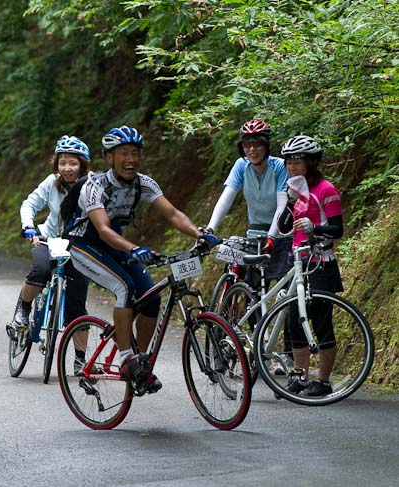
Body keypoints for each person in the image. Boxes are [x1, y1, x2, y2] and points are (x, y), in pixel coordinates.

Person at [67, 126, 217, 389]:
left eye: (135, 153)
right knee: (125, 287)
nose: (131, 160)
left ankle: (141, 363)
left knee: (151, 298)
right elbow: (102, 230)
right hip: (84, 246)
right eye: (123, 153)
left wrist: (199, 233)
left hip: (116, 246)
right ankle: (126, 358)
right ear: (109, 157)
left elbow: (172, 214)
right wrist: (135, 249)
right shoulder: (94, 186)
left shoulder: (144, 183)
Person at [6, 135, 92, 373]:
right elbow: (29, 204)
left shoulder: (92, 187)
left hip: (78, 246)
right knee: (41, 270)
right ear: (56, 164)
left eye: (72, 163)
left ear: (82, 165)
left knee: (77, 304)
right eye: (62, 162)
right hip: (48, 239)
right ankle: (23, 311)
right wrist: (28, 227)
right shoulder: (51, 183)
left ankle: (80, 360)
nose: (67, 168)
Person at [277, 135, 344, 397]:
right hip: (299, 262)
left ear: (311, 162)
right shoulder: (294, 189)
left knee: (321, 322)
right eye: (288, 162)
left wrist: (314, 228)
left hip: (321, 263)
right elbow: (283, 227)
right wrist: (291, 201)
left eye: (297, 162)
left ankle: (324, 380)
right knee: (295, 320)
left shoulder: (326, 190)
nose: (292, 167)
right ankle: (300, 377)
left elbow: (337, 229)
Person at [205, 119, 291, 285]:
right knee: (250, 290)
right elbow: (226, 199)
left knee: (284, 290)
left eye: (257, 144)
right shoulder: (241, 166)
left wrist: (272, 236)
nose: (252, 150)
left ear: (266, 145)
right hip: (254, 235)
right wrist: (210, 228)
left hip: (280, 236)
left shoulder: (280, 166)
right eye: (247, 145)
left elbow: (283, 204)